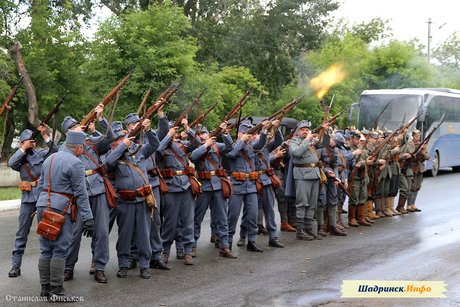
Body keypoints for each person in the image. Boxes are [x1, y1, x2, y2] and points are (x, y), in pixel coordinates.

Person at [36, 130, 94, 301]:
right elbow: (81, 194)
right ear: (78, 147)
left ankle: (45, 290)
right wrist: (88, 218)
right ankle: (57, 292)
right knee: (60, 250)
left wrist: (39, 206)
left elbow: (40, 186)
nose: (82, 150)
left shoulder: (49, 158)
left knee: (46, 249)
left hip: (42, 206)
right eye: (82, 148)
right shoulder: (75, 163)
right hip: (60, 210)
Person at [61, 104, 114, 283]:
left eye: (78, 125)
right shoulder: (64, 148)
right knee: (74, 234)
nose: (78, 127)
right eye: (74, 127)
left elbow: (111, 138)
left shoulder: (91, 141)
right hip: (77, 194)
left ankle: (99, 267)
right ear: (67, 132)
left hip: (98, 190)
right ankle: (68, 268)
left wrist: (100, 119)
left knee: (102, 232)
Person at [104, 114, 159, 279]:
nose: (122, 139)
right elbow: (108, 162)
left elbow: (155, 144)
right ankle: (123, 265)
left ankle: (144, 265)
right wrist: (123, 145)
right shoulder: (116, 152)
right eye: (120, 138)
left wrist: (148, 130)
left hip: (142, 199)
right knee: (125, 235)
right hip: (125, 201)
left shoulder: (140, 149)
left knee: (144, 234)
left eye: (124, 137)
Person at [8, 125, 57, 278]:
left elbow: (56, 153)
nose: (32, 143)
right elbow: (11, 163)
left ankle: (51, 265)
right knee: (22, 232)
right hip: (28, 199)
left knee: (49, 231)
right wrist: (23, 148)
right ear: (22, 142)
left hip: (43, 197)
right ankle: (16, 265)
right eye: (28, 141)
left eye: (33, 141)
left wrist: (45, 136)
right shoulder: (19, 157)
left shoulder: (42, 153)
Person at [156, 117, 200, 265]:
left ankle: (188, 251)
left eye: (173, 131)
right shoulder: (162, 146)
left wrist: (187, 127)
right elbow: (157, 152)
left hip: (186, 186)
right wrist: (167, 136)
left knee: (188, 221)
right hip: (171, 187)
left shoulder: (181, 145)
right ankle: (165, 250)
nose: (173, 133)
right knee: (170, 222)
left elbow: (198, 143)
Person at [189, 123, 237, 258]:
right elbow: (193, 157)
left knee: (222, 217)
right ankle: (192, 246)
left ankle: (224, 246)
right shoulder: (197, 148)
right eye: (198, 134)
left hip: (218, 185)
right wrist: (206, 145)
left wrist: (225, 134)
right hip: (203, 187)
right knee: (197, 218)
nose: (201, 136)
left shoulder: (217, 146)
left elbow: (230, 148)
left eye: (203, 133)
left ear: (209, 134)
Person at [227, 119, 268, 252]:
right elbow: (232, 154)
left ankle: (251, 240)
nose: (248, 135)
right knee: (232, 215)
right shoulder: (233, 144)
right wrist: (242, 141)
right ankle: (227, 241)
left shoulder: (251, 146)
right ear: (239, 133)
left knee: (252, 214)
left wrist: (264, 130)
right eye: (245, 132)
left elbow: (261, 143)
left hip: (250, 184)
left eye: (249, 133)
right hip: (237, 185)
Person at [288, 120, 323, 240]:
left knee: (312, 204)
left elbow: (325, 144)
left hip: (314, 174)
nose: (305, 131)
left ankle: (309, 229)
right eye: (303, 129)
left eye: (307, 129)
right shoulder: (294, 142)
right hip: (302, 175)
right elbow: (297, 152)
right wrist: (307, 140)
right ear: (298, 131)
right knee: (302, 203)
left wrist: (324, 129)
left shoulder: (312, 141)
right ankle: (300, 230)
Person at [407, 129, 430, 212]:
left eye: (419, 135)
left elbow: (427, 157)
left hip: (420, 167)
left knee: (417, 187)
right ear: (413, 136)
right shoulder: (409, 144)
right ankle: (409, 205)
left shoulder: (422, 145)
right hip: (412, 167)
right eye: (416, 135)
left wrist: (423, 152)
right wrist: (419, 151)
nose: (418, 137)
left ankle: (413, 204)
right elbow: (411, 154)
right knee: (412, 187)